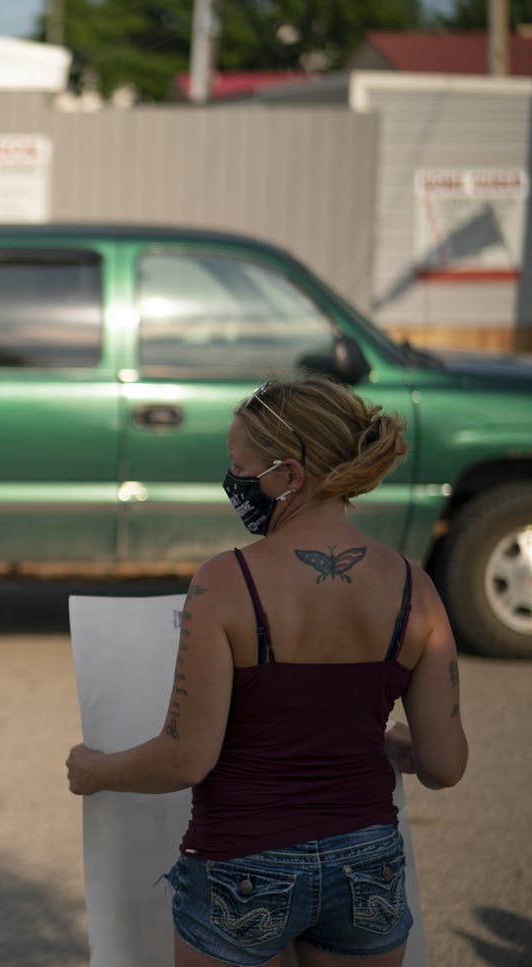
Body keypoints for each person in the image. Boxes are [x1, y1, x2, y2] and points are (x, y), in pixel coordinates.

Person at [65, 373, 467, 967]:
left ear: (289, 475)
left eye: (240, 464)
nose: (233, 481)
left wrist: (97, 770)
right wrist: (399, 746)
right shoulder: (416, 589)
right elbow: (445, 765)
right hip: (368, 864)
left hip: (242, 867)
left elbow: (186, 757)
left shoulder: (226, 583)